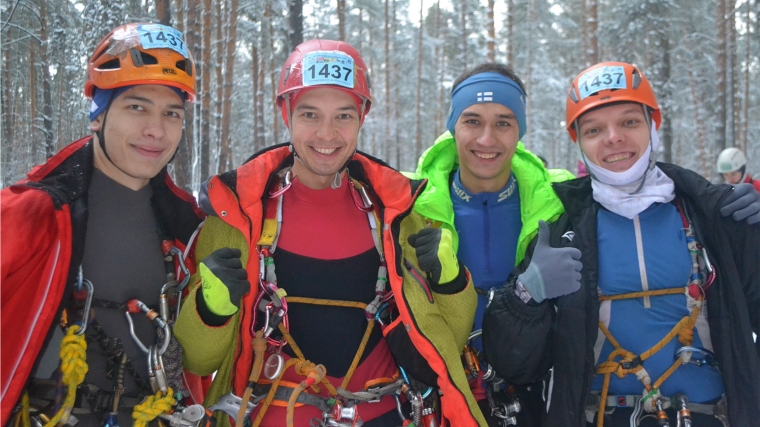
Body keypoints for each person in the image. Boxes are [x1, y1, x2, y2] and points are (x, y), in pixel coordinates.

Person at [174, 39, 485, 427]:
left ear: (362, 117)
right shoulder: (236, 221)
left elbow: (447, 348)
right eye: (309, 114)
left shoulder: (397, 218)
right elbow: (197, 360)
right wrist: (209, 310)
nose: (327, 134)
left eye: (343, 116)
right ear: (285, 112)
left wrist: (452, 283)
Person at [483, 62, 760, 427]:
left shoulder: (712, 218)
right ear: (578, 142)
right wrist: (525, 296)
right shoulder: (561, 227)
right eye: (594, 129)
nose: (613, 138)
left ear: (652, 125)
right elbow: (513, 365)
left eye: (629, 122)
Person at [1, 23, 205, 426]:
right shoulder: (28, 216)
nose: (156, 130)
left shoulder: (190, 228)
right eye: (136, 106)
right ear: (98, 114)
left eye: (171, 113)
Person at [410, 63, 569, 426]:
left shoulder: (561, 200)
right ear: (453, 127)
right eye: (472, 121)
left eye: (503, 122)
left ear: (520, 132)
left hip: (531, 397)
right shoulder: (409, 203)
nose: (486, 139)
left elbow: (632, 180)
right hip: (444, 399)